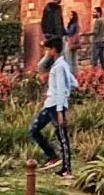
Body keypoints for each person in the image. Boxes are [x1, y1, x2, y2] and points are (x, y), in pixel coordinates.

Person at [30, 37, 77, 175]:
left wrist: (60, 110)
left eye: (48, 49)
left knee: (62, 136)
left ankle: (67, 169)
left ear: (54, 50)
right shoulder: (59, 65)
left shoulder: (60, 67)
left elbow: (62, 88)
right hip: (50, 104)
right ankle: (53, 156)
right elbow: (74, 83)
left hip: (56, 106)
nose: (46, 52)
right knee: (34, 130)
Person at [40, 0, 68, 65]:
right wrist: (62, 32)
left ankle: (45, 66)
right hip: (56, 36)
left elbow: (43, 21)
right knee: (57, 54)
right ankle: (42, 66)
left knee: (51, 54)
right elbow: (59, 22)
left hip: (49, 35)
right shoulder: (57, 9)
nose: (61, 0)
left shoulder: (47, 7)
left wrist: (45, 33)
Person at [90, 5, 104, 70]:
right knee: (102, 59)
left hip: (97, 41)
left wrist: (85, 34)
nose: (93, 14)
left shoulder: (98, 21)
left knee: (94, 60)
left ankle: (93, 73)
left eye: (94, 12)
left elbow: (95, 32)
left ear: (99, 13)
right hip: (103, 41)